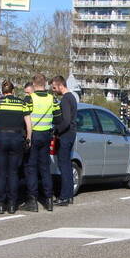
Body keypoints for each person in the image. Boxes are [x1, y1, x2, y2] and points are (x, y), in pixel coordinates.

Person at [0, 80, 32, 214]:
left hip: (1, 138)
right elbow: (29, 124)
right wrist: (28, 138)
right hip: (17, 139)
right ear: (13, 91)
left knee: (0, 173)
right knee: (13, 173)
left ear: (2, 91)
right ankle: (12, 205)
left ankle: (0, 205)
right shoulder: (22, 103)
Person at [24, 74, 61, 212]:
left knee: (31, 168)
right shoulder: (53, 99)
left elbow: (24, 117)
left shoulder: (30, 98)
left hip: (33, 135)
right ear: (45, 83)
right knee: (45, 168)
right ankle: (49, 200)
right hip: (46, 136)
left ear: (34, 84)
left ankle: (32, 201)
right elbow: (58, 119)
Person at [51, 75, 77, 206]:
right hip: (71, 134)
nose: (54, 90)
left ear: (61, 85)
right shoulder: (72, 97)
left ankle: (64, 197)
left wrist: (56, 130)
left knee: (64, 166)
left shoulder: (66, 99)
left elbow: (66, 120)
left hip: (66, 135)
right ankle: (69, 195)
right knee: (67, 165)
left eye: (54, 87)